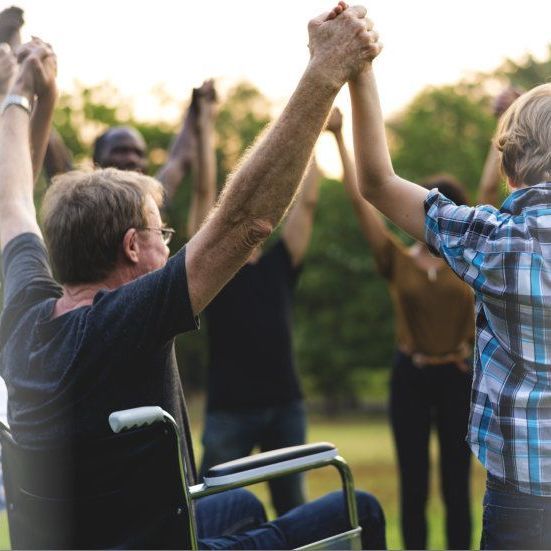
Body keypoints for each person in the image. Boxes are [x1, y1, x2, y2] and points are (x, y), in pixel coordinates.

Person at [0, 5, 387, 549]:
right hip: (154, 540)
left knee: (242, 504)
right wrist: (324, 73)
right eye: (163, 231)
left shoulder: (24, 312)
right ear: (132, 247)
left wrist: (21, 92)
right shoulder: (125, 322)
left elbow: (11, 201)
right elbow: (245, 220)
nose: (171, 242)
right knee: (359, 506)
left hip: (82, 533)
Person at [347, 8, 551, 549]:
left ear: (509, 170)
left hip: (523, 495)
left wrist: (361, 69)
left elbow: (378, 182)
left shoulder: (495, 241)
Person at [326, 106, 474, 549]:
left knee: (456, 484)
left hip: (458, 377)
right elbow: (361, 201)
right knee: (412, 485)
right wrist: (338, 138)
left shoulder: (468, 261)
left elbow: (490, 189)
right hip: (410, 377)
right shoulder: (395, 260)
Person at [186, 81, 321, 514]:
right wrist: (205, 124)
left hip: (285, 403)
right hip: (230, 410)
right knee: (213, 508)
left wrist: (315, 128)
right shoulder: (212, 268)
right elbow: (204, 193)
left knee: (293, 507)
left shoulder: (280, 263)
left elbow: (308, 206)